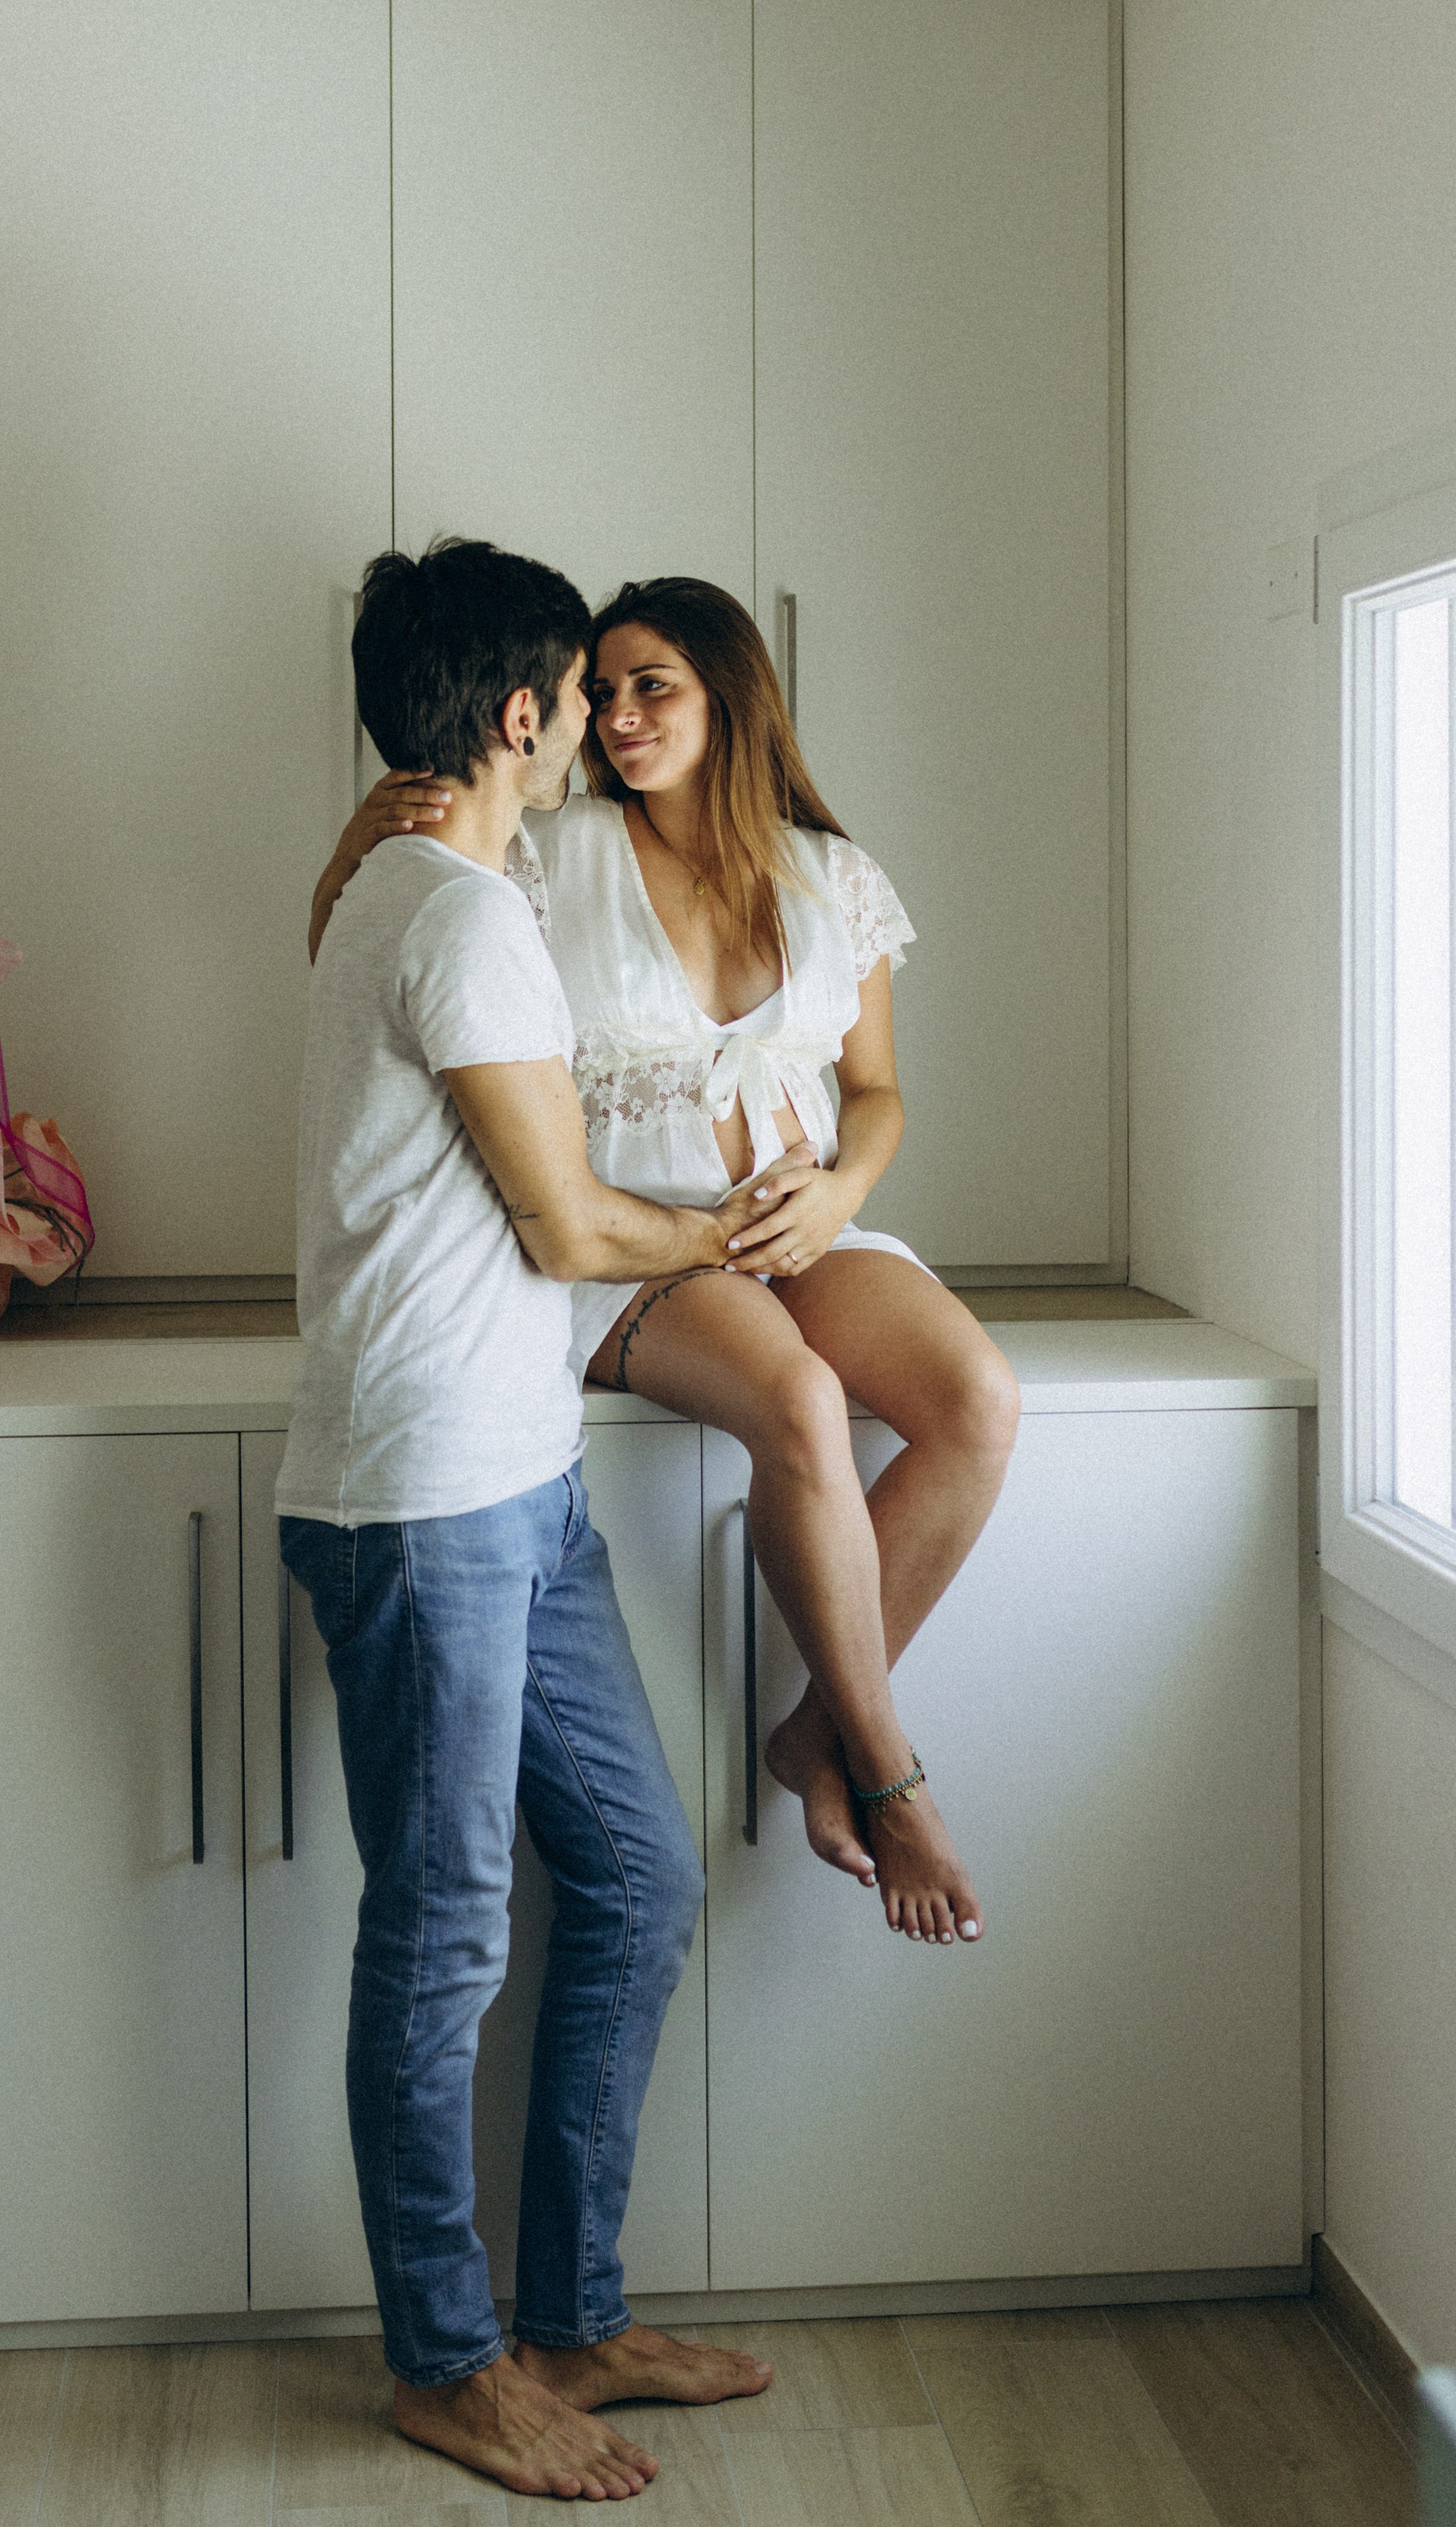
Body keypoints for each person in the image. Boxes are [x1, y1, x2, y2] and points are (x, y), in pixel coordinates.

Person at [281, 539, 780, 2505]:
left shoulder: (411, 885)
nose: (595, 723)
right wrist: (736, 1234)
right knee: (442, 1937)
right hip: (421, 1503)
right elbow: (566, 1224)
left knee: (637, 1881)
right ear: (519, 716)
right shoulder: (457, 915)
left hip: (518, 1481)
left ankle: (570, 2310)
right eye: (580, 695)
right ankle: (443, 2360)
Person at [314, 574, 1021, 1949]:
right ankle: (890, 1766)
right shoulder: (546, 848)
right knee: (801, 1398)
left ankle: (814, 1729)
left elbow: (876, 1092)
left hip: (790, 1222)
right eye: (607, 690)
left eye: (656, 687)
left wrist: (838, 1194)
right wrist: (355, 830)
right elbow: (375, 938)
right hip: (628, 1246)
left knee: (978, 1401)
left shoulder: (837, 878)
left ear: (731, 695)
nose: (622, 717)